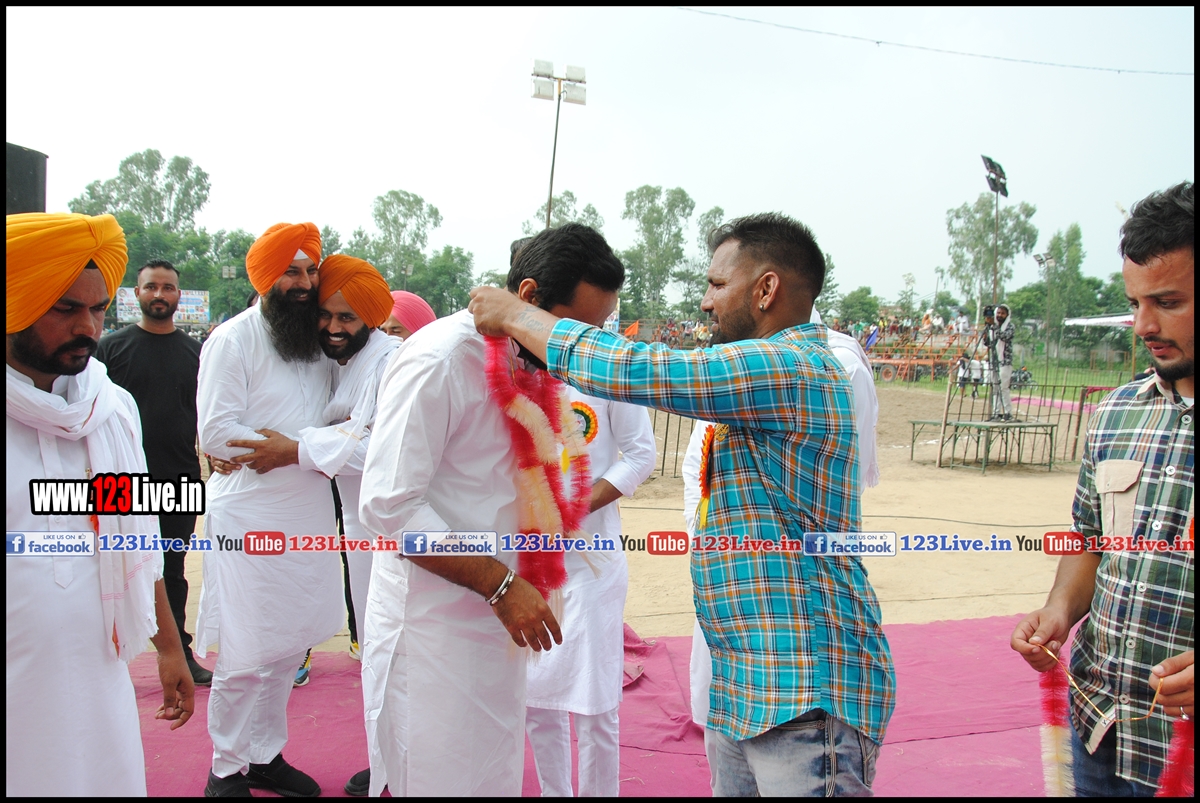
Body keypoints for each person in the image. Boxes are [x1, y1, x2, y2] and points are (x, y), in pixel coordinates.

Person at [469, 212, 895, 796]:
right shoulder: (766, 373)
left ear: (766, 289)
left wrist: (517, 315)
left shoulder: (796, 367)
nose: (705, 301)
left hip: (805, 688)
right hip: (748, 684)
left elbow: (648, 372)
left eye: (718, 284)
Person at [358, 223, 626, 796]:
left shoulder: (531, 363)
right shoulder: (442, 359)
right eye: (575, 330)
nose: (582, 348)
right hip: (434, 625)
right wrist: (501, 586)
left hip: (495, 617)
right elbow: (389, 507)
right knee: (438, 777)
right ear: (527, 297)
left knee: (489, 775)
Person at [1010, 181, 1194, 796]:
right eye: (1135, 302)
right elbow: (1090, 538)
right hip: (1101, 729)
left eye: (1167, 302)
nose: (1143, 325)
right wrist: (1059, 611)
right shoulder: (1117, 413)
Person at [6, 212, 193, 796]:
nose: (87, 326)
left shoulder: (108, 409)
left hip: (97, 675)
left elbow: (133, 536)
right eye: (66, 308)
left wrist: (169, 647)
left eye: (98, 308)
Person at [505, 235, 657, 798]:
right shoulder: (503, 364)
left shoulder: (608, 365)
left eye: (603, 321)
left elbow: (640, 455)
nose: (595, 332)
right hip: (526, 562)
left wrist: (572, 509)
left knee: (595, 702)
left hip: (591, 566)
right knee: (537, 696)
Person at [196, 222, 341, 797]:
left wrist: (301, 448)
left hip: (306, 510)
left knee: (288, 643)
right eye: (291, 272)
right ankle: (225, 768)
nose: (304, 283)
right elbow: (217, 433)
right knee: (246, 647)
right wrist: (304, 447)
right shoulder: (232, 340)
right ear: (263, 277)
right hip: (249, 515)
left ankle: (263, 755)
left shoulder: (318, 343)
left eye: (310, 271)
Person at [95, 259, 211, 687]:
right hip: (119, 481)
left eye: (167, 287)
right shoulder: (109, 350)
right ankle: (109, 659)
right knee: (112, 566)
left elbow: (209, 414)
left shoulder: (198, 353)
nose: (159, 294)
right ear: (136, 294)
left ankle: (180, 652)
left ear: (179, 295)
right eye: (151, 287)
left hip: (180, 478)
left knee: (173, 570)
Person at [987, 303, 1016, 420]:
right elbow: (988, 343)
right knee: (995, 388)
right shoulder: (992, 327)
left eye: (1002, 313)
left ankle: (1008, 413)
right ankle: (996, 413)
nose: (1000, 315)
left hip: (1005, 360)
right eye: (998, 313)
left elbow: (1004, 336)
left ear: (1007, 315)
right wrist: (987, 329)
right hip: (994, 361)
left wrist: (995, 327)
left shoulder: (1010, 326)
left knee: (1004, 387)